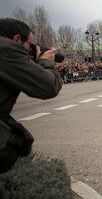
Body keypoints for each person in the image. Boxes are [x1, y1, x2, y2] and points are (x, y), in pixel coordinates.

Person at [0, 18, 62, 173]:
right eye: (31, 45)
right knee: (15, 143)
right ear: (16, 39)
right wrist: (45, 62)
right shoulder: (7, 51)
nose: (32, 50)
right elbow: (49, 86)